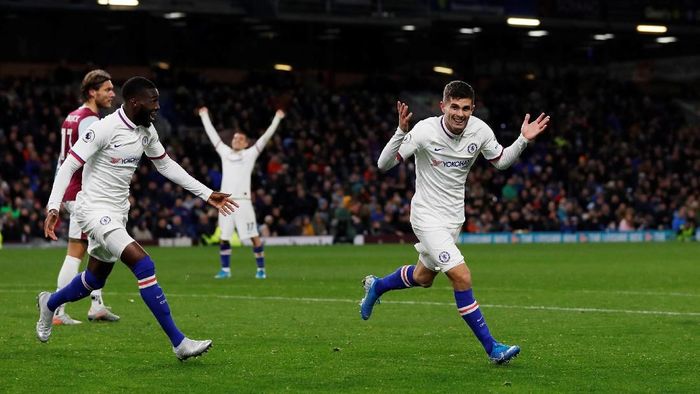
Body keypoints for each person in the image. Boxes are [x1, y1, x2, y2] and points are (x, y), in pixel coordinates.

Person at [38, 77, 237, 360]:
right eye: (152, 101)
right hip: (94, 211)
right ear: (134, 102)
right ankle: (179, 343)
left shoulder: (146, 131)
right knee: (143, 263)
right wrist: (53, 207)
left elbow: (165, 164)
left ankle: (50, 302)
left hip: (118, 213)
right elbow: (69, 164)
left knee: (94, 279)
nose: (157, 107)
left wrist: (206, 194)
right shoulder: (104, 128)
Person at [361, 81, 549, 364]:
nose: (460, 114)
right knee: (461, 276)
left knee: (423, 278)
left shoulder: (480, 130)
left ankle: (377, 286)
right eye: (454, 107)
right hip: (426, 217)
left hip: (453, 220)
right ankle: (493, 348)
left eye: (466, 108)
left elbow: (500, 161)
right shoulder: (424, 130)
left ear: (473, 108)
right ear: (443, 106)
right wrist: (401, 132)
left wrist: (522, 140)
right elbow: (383, 164)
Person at [51, 69, 121, 325]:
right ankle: (57, 311)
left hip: (73, 190)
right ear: (93, 91)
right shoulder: (90, 121)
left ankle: (97, 306)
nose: (113, 94)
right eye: (108, 89)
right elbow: (95, 160)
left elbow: (63, 158)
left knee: (98, 248)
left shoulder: (72, 116)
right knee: (77, 251)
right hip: (83, 193)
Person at [198, 107, 285, 279]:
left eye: (240, 139)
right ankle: (226, 270)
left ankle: (261, 269)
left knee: (253, 236)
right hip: (225, 201)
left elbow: (265, 137)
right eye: (235, 138)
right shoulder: (225, 153)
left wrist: (277, 118)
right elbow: (212, 135)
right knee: (224, 237)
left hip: (244, 202)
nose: (236, 140)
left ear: (246, 143)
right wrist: (204, 115)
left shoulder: (249, 154)